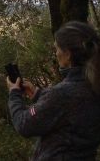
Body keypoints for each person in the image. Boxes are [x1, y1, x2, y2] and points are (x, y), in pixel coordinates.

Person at [7, 21, 100, 160]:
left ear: (68, 54)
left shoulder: (63, 94)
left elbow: (24, 124)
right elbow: (71, 110)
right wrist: (39, 94)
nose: (56, 53)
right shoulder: (93, 85)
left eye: (57, 48)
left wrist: (14, 94)